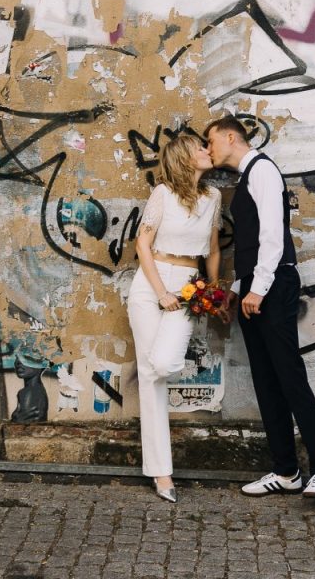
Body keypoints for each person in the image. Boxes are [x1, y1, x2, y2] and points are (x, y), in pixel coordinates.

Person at [205, 114, 315, 500]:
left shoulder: (262, 170)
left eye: (211, 141)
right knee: (266, 380)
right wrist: (239, 288)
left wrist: (259, 288)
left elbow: (273, 237)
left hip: (274, 284)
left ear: (231, 137)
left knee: (289, 376)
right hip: (258, 287)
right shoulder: (247, 177)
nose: (209, 149)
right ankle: (286, 471)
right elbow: (250, 244)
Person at [127, 130, 221, 503]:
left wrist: (214, 291)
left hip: (188, 286)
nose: (206, 150)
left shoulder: (213, 197)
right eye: (200, 148)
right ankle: (162, 473)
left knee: (162, 364)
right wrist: (160, 291)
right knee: (152, 380)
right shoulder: (163, 194)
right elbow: (142, 244)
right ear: (185, 157)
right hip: (149, 285)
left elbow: (213, 249)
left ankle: (160, 469)